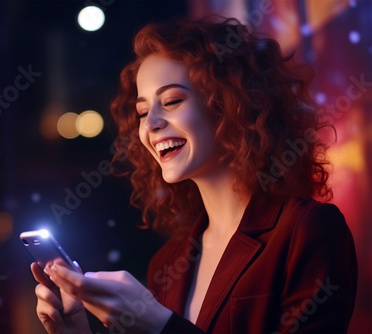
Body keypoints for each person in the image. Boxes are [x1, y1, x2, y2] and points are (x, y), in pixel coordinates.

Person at [30, 16, 358, 333]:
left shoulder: (307, 230)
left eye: (172, 100)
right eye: (143, 111)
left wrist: (160, 325)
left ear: (232, 103)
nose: (151, 123)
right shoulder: (167, 263)